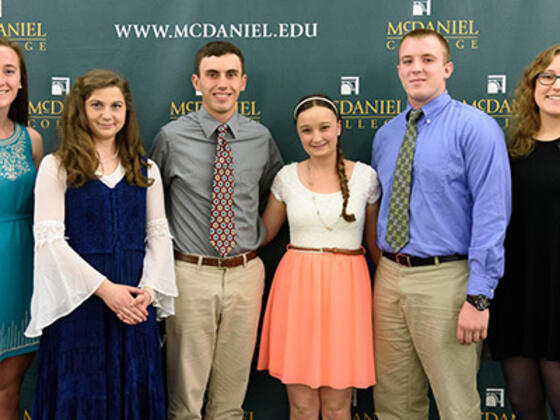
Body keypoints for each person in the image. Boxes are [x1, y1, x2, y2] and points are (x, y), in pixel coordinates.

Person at [370, 28, 511, 419]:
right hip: (390, 275)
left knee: (456, 405)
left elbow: (492, 215)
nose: (417, 68)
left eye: (428, 60)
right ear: (399, 69)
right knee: (394, 403)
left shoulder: (476, 128)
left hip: (447, 281)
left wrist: (479, 296)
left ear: (447, 68)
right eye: (409, 61)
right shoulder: (386, 135)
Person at [24, 69, 177, 420]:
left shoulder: (146, 168)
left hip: (134, 308)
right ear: (81, 109)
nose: (107, 114)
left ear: (127, 112)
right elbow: (50, 242)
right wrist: (106, 291)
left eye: (116, 105)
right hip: (79, 306)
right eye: (97, 105)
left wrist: (148, 292)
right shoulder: (56, 165)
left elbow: (157, 236)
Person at [149, 41, 283, 420]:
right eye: (212, 75)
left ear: (242, 82)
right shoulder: (171, 138)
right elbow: (153, 207)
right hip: (190, 274)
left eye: (230, 75)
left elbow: (270, 195)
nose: (221, 83)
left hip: (246, 274)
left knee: (231, 395)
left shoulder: (260, 138)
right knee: (185, 395)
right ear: (197, 81)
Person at [257, 94, 379, 420]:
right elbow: (264, 234)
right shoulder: (286, 177)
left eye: (324, 127)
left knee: (339, 407)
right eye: (306, 130)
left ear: (339, 127)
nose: (317, 137)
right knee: (303, 406)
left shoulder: (366, 177)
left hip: (348, 293)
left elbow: (376, 247)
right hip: (296, 291)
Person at [488, 44, 560, 419]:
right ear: (533, 84)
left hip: (557, 293)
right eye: (547, 76)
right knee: (523, 403)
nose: (555, 85)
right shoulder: (507, 147)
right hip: (516, 290)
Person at [0, 37, 43, 420]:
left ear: (20, 80)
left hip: (19, 277)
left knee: (8, 396)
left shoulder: (32, 140)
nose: (1, 79)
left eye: (8, 70)